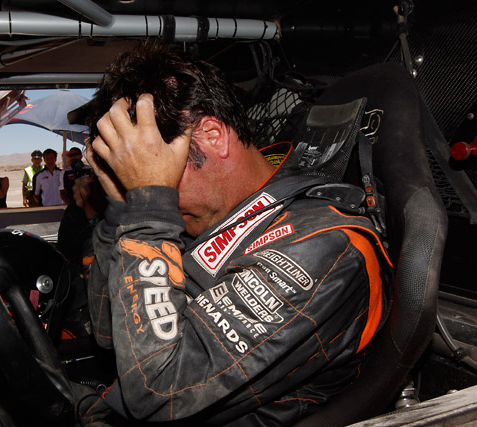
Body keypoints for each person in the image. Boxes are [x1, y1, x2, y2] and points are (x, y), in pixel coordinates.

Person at [79, 41, 392, 425]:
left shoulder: (325, 248)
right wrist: (120, 213)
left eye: (153, 171)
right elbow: (110, 334)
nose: (151, 191)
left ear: (212, 136)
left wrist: (148, 208)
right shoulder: (207, 216)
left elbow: (156, 394)